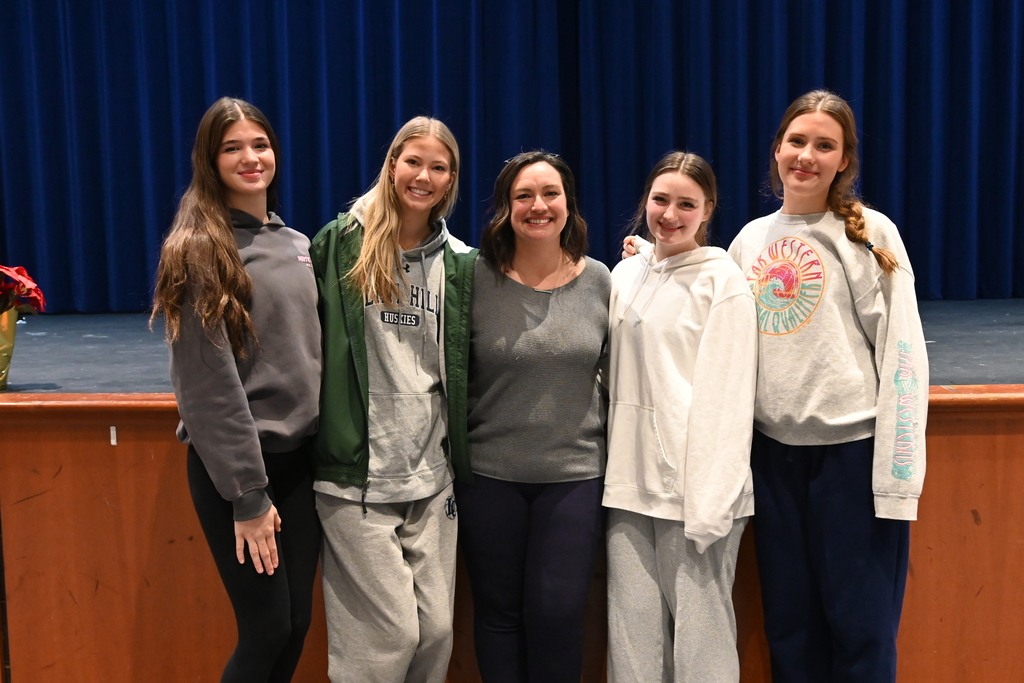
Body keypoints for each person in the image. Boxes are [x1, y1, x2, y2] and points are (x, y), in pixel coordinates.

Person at [727, 90, 928, 682]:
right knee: (791, 627)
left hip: (852, 459)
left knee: (861, 626)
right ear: (777, 149)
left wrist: (897, 476)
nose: (807, 156)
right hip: (774, 460)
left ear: (844, 160)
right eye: (797, 141)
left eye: (824, 145)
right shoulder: (748, 241)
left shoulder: (870, 234)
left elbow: (903, 354)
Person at [152, 97, 322, 682]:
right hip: (243, 476)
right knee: (267, 628)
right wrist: (248, 496)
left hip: (301, 467)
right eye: (232, 148)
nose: (251, 158)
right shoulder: (199, 248)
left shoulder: (296, 243)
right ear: (210, 159)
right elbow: (206, 387)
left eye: (260, 144)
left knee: (297, 624)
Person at [309, 116, 476, 683]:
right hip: (356, 477)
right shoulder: (341, 243)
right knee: (385, 643)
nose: (423, 176)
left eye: (438, 166)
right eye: (414, 161)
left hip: (431, 476)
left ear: (451, 179)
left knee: (436, 634)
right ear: (392, 165)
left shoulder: (460, 262)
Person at [456, 151, 611, 682]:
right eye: (524, 195)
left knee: (559, 614)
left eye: (550, 194)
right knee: (499, 616)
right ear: (506, 206)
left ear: (569, 204)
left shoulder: (602, 281)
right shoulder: (470, 279)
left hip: (574, 477)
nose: (538, 206)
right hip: (490, 476)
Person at [604, 152, 757, 683]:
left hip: (696, 492)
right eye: (660, 200)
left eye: (686, 204)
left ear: (708, 209)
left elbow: (728, 397)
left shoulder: (725, 283)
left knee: (703, 640)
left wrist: (711, 504)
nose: (670, 214)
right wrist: (645, 254)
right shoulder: (626, 273)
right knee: (631, 636)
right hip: (627, 483)